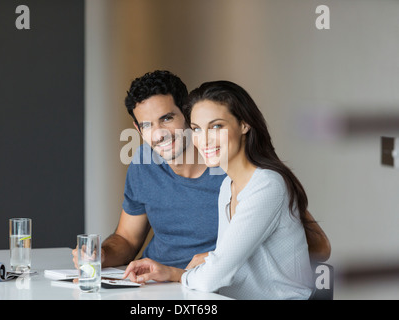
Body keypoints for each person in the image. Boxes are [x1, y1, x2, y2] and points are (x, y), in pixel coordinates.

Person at [73, 70, 330, 271]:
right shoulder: (142, 163)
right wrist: (102, 254)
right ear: (138, 129)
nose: (160, 134)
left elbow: (318, 247)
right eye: (147, 125)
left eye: (167, 118)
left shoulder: (237, 168)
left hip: (211, 287)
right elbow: (127, 240)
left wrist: (225, 261)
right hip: (153, 284)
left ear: (188, 114)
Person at [123, 80, 318, 299]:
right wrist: (171, 272)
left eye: (216, 126)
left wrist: (192, 270)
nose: (204, 139)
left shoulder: (267, 185)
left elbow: (212, 277)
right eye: (197, 129)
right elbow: (224, 265)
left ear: (244, 124)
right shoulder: (228, 185)